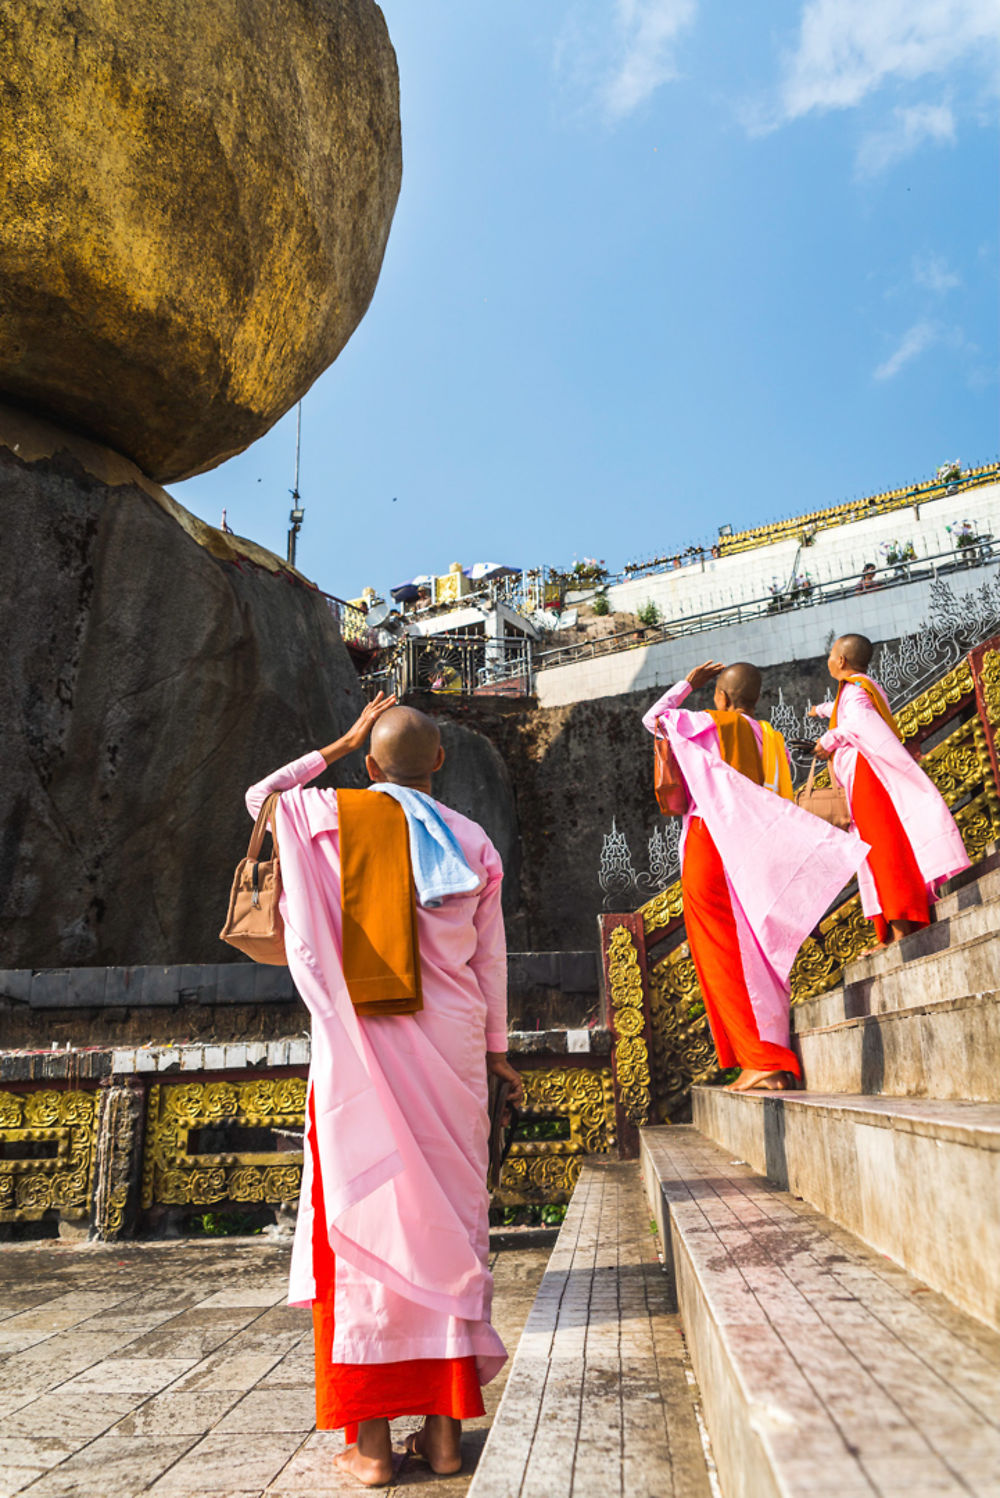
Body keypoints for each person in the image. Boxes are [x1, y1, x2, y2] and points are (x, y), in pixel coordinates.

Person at [245, 694, 522, 1488]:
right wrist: (499, 1052)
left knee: (365, 1230)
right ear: (441, 762)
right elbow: (490, 962)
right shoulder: (472, 842)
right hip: (455, 1058)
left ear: (370, 766)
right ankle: (441, 1439)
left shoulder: (326, 818)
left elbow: (260, 799)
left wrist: (341, 738)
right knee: (451, 1234)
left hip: (360, 1064)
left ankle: (371, 1449)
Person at [643, 661, 868, 1093]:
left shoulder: (709, 722)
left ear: (722, 696)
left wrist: (688, 683)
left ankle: (761, 1059)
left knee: (724, 950)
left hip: (712, 843)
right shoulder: (772, 737)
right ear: (757, 699)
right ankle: (767, 1057)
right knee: (760, 951)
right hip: (762, 844)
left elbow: (653, 719)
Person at [810, 634, 969, 946]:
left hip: (867, 779)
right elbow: (845, 712)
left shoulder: (855, 690)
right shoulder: (860, 688)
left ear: (841, 660)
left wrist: (829, 740)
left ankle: (900, 929)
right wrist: (820, 710)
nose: (829, 659)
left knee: (882, 850)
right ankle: (894, 926)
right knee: (879, 850)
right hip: (862, 777)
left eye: (831, 654)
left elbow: (859, 721)